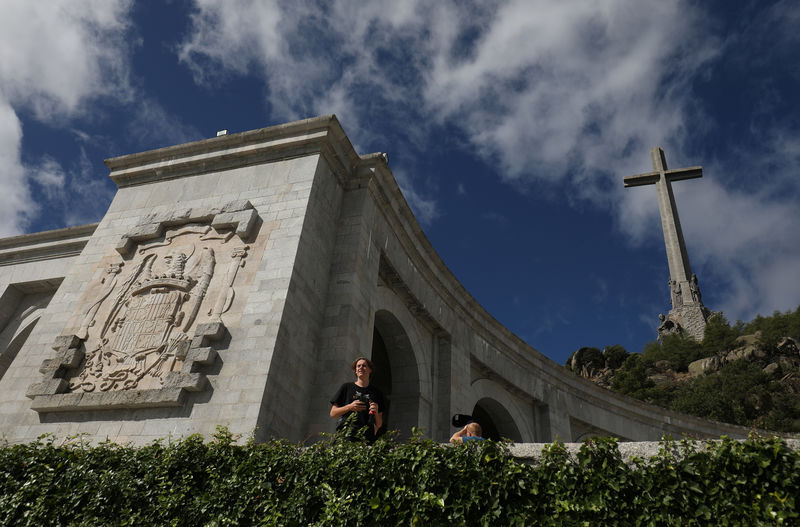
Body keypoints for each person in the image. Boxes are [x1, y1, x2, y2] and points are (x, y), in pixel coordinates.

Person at [330, 356, 385, 443]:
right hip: (346, 436)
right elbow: (333, 413)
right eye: (358, 366)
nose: (360, 368)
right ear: (355, 371)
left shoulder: (377, 393)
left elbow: (379, 424)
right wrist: (350, 407)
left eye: (364, 366)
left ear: (370, 370)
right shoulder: (346, 387)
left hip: (366, 438)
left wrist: (376, 412)